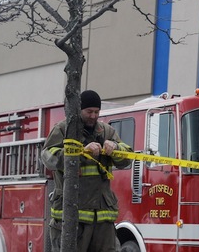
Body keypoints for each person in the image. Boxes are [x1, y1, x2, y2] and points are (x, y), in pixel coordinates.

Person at [41, 90, 132, 252]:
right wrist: (81, 152)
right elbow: (48, 157)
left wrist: (116, 148)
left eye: (97, 112)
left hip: (102, 219)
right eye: (89, 112)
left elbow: (126, 158)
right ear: (79, 110)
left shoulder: (106, 131)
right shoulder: (63, 130)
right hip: (71, 217)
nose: (93, 116)